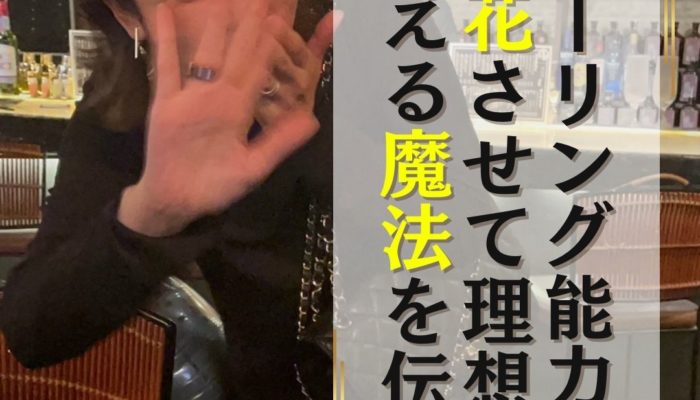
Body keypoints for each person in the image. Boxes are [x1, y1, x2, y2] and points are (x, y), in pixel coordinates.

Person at [0, 0, 335, 398]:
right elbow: (33, 332)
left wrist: (323, 146)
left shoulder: (370, 48)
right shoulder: (127, 108)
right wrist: (151, 214)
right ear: (129, 17)